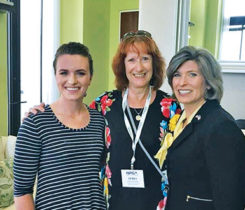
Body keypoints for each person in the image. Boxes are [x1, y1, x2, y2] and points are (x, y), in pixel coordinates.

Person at [24, 30, 181, 210]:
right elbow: (73, 117)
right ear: (122, 65)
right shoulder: (104, 104)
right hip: (111, 202)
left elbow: (183, 158)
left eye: (145, 58)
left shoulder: (171, 108)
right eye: (131, 60)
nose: (139, 67)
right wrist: (36, 115)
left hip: (157, 201)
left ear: (154, 63)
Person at [14, 42, 107, 210]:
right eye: (64, 73)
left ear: (90, 77)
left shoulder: (99, 121)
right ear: (55, 75)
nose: (72, 80)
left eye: (80, 73)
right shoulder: (35, 123)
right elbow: (22, 191)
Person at [155, 46, 245, 210]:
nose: (182, 82)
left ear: (209, 83)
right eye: (177, 75)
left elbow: (230, 199)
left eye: (192, 75)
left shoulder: (221, 127)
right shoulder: (181, 119)